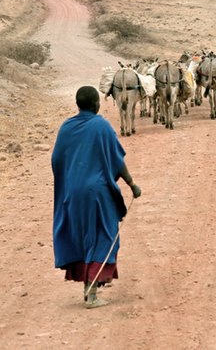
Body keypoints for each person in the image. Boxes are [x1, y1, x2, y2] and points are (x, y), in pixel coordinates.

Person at [51, 85, 142, 309]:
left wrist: (70, 180)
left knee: (83, 237)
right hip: (97, 193)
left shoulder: (66, 127)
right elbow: (117, 162)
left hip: (72, 193)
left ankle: (87, 287)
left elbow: (56, 160)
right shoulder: (101, 125)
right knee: (105, 235)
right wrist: (132, 185)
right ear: (96, 104)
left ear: (77, 104)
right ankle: (92, 295)